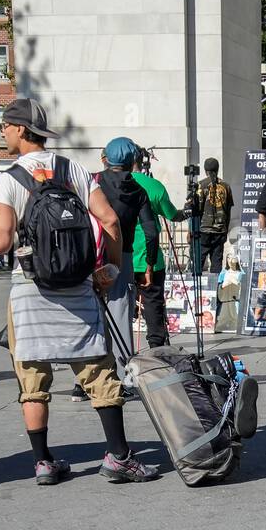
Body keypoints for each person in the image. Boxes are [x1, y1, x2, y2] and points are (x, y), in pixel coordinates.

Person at [0, 97, 157, 485]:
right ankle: (118, 457)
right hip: (79, 287)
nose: (4, 133)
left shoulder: (8, 179)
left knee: (32, 378)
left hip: (30, 291)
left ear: (19, 130)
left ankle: (44, 462)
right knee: (98, 370)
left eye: (6, 126)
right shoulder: (73, 170)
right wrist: (107, 271)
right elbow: (110, 220)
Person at [94, 138, 159, 375]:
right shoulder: (138, 190)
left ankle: (85, 380)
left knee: (92, 316)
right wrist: (149, 265)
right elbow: (151, 232)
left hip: (94, 255)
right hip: (123, 257)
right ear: (133, 160)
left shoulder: (94, 182)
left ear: (106, 158)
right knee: (121, 316)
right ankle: (123, 377)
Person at [132, 165, 191, 350]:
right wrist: (187, 211)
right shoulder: (153, 186)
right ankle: (157, 349)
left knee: (119, 304)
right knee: (153, 304)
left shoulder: (104, 183)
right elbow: (172, 215)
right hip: (149, 259)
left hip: (118, 257)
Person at [196, 157, 234, 275]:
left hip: (203, 230)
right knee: (217, 264)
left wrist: (191, 231)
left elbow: (196, 210)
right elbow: (228, 210)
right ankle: (215, 290)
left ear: (205, 170)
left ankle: (197, 290)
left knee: (198, 263)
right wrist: (225, 229)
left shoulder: (200, 186)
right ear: (217, 169)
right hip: (219, 230)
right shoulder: (226, 186)